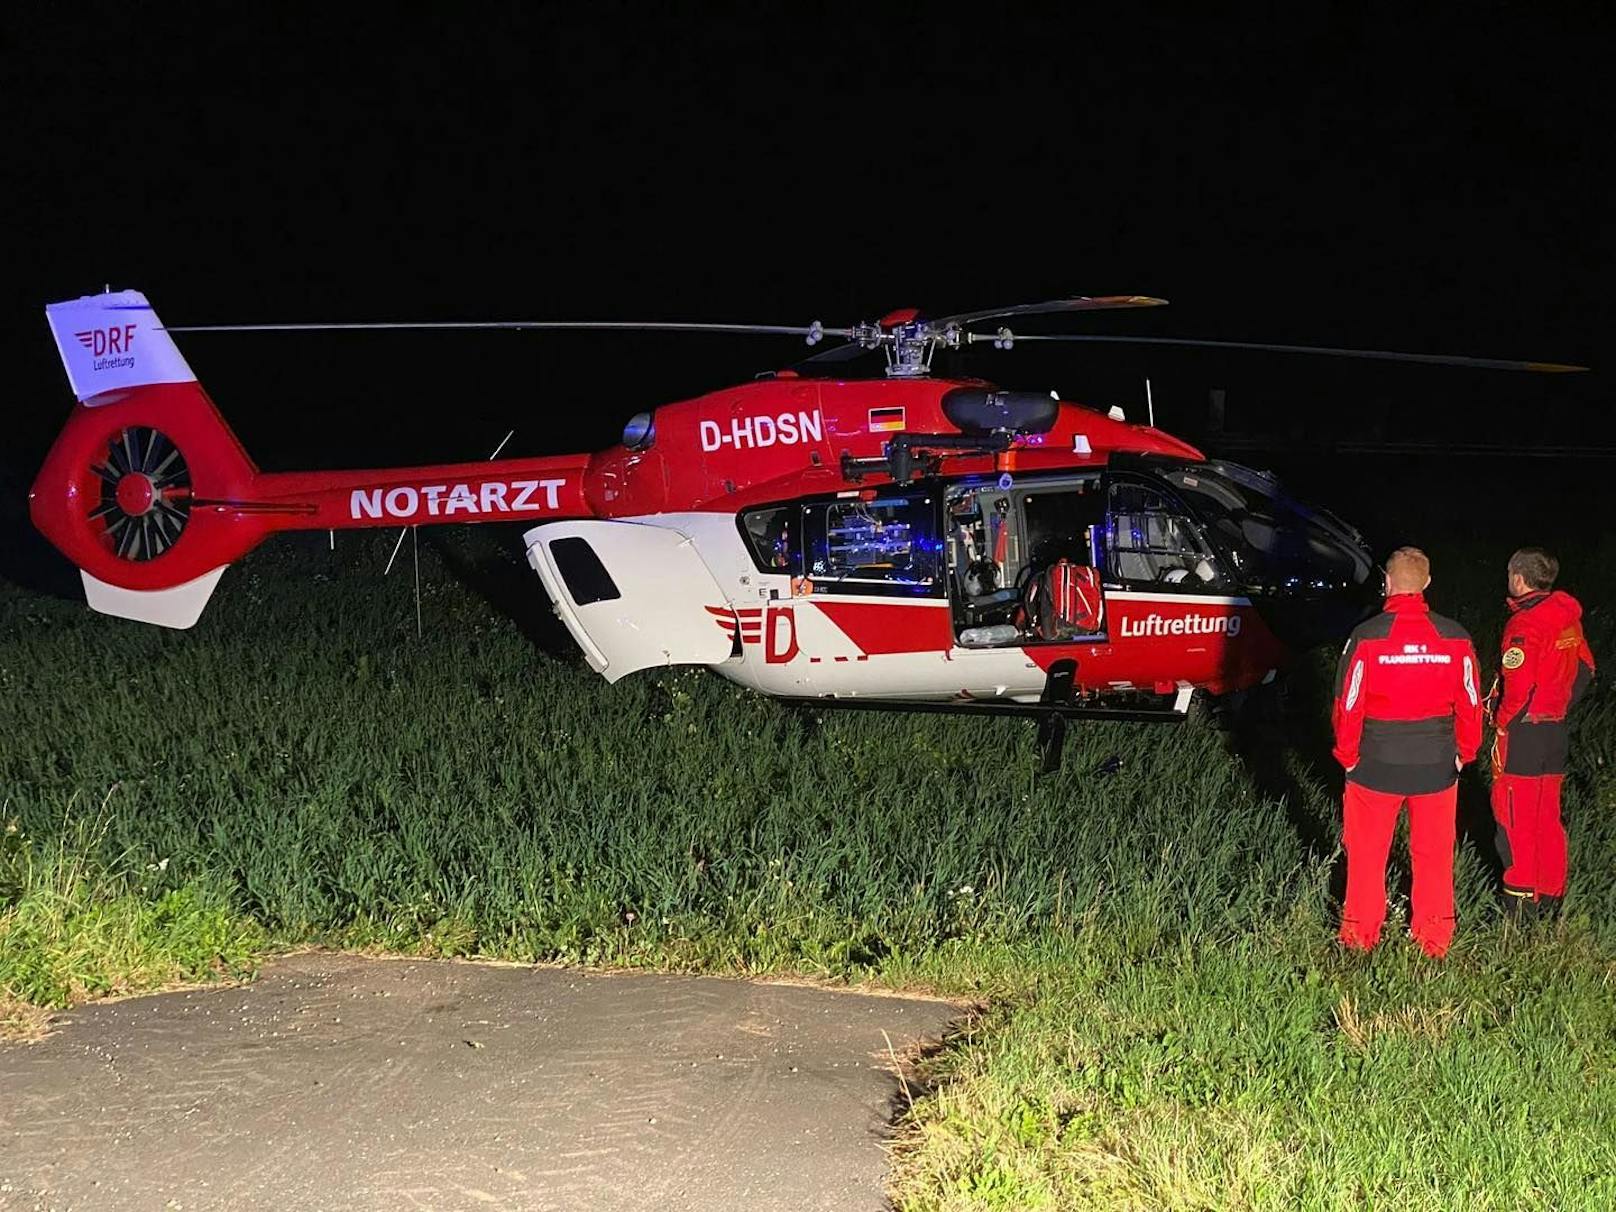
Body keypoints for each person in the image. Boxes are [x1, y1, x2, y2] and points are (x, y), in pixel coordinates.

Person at [1331, 547, 1483, 958]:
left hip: (1375, 766)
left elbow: (1348, 703)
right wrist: (1465, 753)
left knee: (1366, 856)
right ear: (1427, 584)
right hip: (1435, 767)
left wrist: (1347, 755)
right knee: (1434, 857)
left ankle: (1360, 939)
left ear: (1387, 582)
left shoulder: (1367, 636)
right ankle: (1433, 941)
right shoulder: (1455, 637)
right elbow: (1471, 702)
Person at [1487, 547, 1596, 918]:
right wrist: (1560, 706)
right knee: (1547, 817)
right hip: (1555, 733)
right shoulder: (1567, 618)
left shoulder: (1523, 624)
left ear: (1518, 578)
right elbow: (1585, 667)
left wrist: (1501, 721)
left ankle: (1519, 907)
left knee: (1515, 817)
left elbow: (1518, 688)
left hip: (1525, 735)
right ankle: (1551, 898)